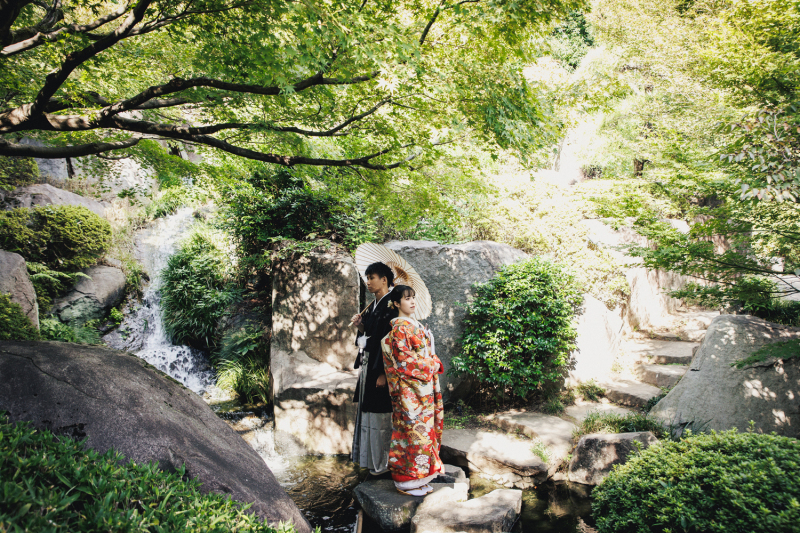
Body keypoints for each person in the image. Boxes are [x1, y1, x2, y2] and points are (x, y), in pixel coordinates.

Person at [381, 285, 444, 497]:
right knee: (411, 434)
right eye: (407, 299)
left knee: (424, 433)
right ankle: (405, 481)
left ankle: (421, 478)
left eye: (413, 298)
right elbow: (404, 362)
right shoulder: (399, 329)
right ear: (396, 303)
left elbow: (423, 355)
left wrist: (432, 361)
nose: (412, 302)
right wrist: (430, 365)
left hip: (421, 389)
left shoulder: (413, 326)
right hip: (410, 392)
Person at [351, 261, 398, 475]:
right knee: (368, 411)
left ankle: (382, 464)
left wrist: (383, 373)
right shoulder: (375, 304)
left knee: (380, 414)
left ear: (384, 280)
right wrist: (361, 324)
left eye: (371, 278)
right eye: (367, 278)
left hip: (380, 367)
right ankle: (370, 460)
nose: (368, 282)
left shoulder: (391, 306)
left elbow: (390, 342)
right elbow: (368, 335)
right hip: (368, 363)